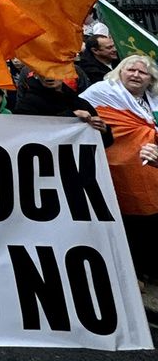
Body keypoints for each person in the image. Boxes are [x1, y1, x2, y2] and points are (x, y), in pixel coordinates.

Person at [80, 55, 158, 302]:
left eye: (142, 73)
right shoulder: (102, 94)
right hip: (120, 170)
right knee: (130, 225)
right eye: (130, 70)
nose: (135, 75)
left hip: (152, 169)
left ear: (150, 79)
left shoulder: (153, 101)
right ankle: (132, 273)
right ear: (119, 72)